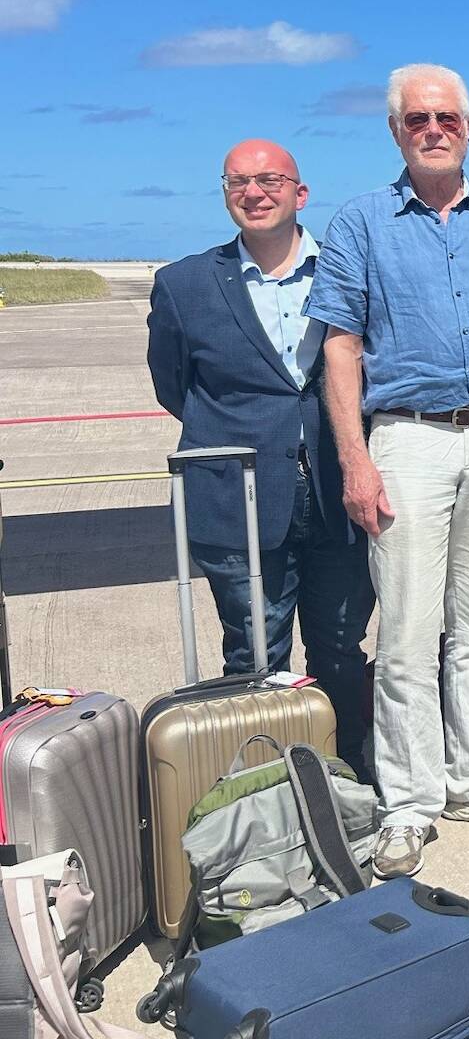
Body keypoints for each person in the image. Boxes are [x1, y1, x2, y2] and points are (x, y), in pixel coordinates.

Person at [307, 63, 469, 881]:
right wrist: (355, 458)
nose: (434, 128)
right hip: (407, 437)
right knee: (409, 629)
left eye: (448, 116)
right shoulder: (361, 224)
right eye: (418, 119)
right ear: (396, 130)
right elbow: (340, 345)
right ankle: (408, 802)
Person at [146, 139, 374, 779]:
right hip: (239, 498)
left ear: (301, 194)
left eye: (270, 179)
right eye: (238, 182)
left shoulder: (345, 268)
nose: (254, 192)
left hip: (336, 492)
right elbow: (174, 386)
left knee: (339, 648)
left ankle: (346, 771)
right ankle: (262, 785)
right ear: (225, 195)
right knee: (254, 655)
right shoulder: (184, 284)